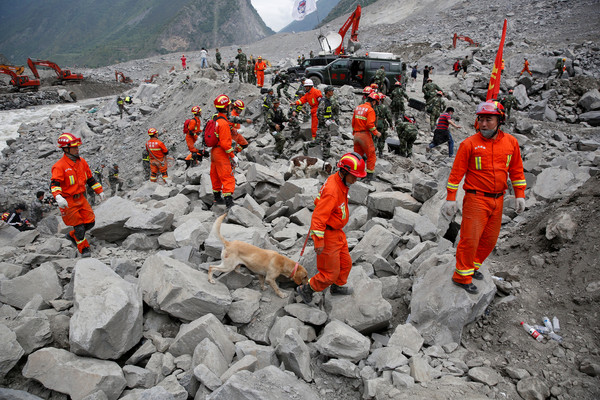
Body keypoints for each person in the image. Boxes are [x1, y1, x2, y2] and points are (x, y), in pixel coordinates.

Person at [445, 101, 526, 294]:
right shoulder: (469, 144)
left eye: (488, 119)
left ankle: (472, 267)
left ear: (500, 120)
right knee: (470, 239)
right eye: (480, 119)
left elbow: (516, 170)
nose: (483, 123)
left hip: (498, 200)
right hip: (476, 199)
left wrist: (520, 195)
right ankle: (461, 276)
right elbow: (456, 174)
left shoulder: (511, 143)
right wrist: (451, 197)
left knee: (489, 240)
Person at [296, 152, 367, 304]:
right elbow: (318, 217)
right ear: (343, 172)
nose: (355, 180)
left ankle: (336, 286)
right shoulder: (333, 190)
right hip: (328, 235)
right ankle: (307, 289)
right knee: (330, 273)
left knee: (346, 263)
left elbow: (320, 203)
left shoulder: (339, 181)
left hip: (337, 233)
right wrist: (319, 240)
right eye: (354, 176)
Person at [51, 133, 105, 257]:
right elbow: (55, 184)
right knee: (79, 226)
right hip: (68, 201)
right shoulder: (59, 166)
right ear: (66, 149)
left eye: (77, 147)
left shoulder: (82, 162)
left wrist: (99, 191)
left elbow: (90, 179)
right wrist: (58, 196)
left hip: (81, 198)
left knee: (90, 222)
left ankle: (73, 235)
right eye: (74, 147)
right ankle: (83, 248)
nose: (77, 149)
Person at [210, 95, 238, 208]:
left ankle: (217, 198)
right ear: (226, 108)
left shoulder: (215, 119)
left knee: (215, 174)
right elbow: (225, 144)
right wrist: (233, 156)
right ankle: (229, 203)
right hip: (221, 152)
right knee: (227, 176)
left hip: (213, 152)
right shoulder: (223, 123)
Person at [352, 91, 381, 181]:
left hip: (356, 135)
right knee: (371, 155)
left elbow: (353, 122)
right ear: (374, 102)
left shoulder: (358, 108)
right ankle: (369, 176)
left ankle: (356, 174)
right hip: (364, 135)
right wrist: (376, 133)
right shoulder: (370, 110)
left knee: (358, 156)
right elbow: (369, 124)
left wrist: (355, 133)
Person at [305, 85, 339, 160]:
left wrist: (332, 119)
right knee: (318, 140)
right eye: (331, 91)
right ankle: (306, 146)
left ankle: (326, 156)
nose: (332, 92)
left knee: (327, 141)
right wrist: (324, 121)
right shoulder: (323, 101)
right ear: (328, 92)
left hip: (328, 125)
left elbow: (330, 111)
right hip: (322, 126)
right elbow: (319, 114)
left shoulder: (329, 100)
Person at [374, 93, 394, 157]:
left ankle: (371, 152)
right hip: (382, 124)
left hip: (373, 124)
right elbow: (389, 117)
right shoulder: (384, 107)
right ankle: (380, 152)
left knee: (373, 138)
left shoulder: (374, 106)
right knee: (381, 139)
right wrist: (391, 125)